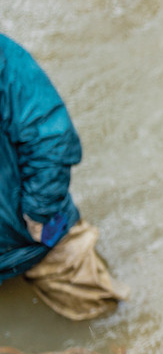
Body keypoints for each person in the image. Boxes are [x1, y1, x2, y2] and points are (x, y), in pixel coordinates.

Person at [0, 34, 128, 320]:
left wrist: (38, 214)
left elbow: (52, 139)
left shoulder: (3, 58)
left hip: (31, 237)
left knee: (106, 316)